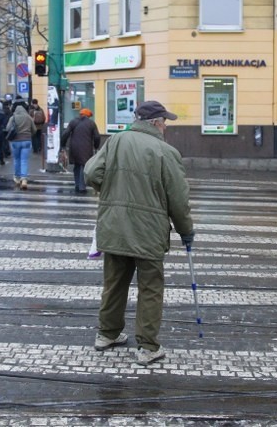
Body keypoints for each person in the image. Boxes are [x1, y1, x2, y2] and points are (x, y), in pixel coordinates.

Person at [84, 100, 194, 366]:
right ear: (155, 123)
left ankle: (106, 334)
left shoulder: (115, 141)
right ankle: (147, 347)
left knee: (114, 283)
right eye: (164, 121)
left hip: (114, 226)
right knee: (150, 288)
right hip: (149, 232)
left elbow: (90, 173)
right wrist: (186, 231)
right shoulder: (166, 153)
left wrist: (111, 190)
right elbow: (178, 200)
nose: (166, 125)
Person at [61, 108, 101, 194]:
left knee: (77, 165)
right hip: (86, 148)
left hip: (74, 147)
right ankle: (82, 187)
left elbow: (65, 134)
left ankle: (77, 184)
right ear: (88, 116)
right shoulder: (91, 124)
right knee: (84, 166)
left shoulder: (73, 122)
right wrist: (96, 146)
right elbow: (97, 137)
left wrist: (63, 145)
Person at [6, 97, 36, 190]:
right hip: (26, 140)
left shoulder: (13, 117)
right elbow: (34, 129)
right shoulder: (28, 117)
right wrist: (28, 133)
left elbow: (8, 128)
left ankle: (17, 178)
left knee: (17, 160)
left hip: (15, 141)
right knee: (24, 160)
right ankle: (24, 179)